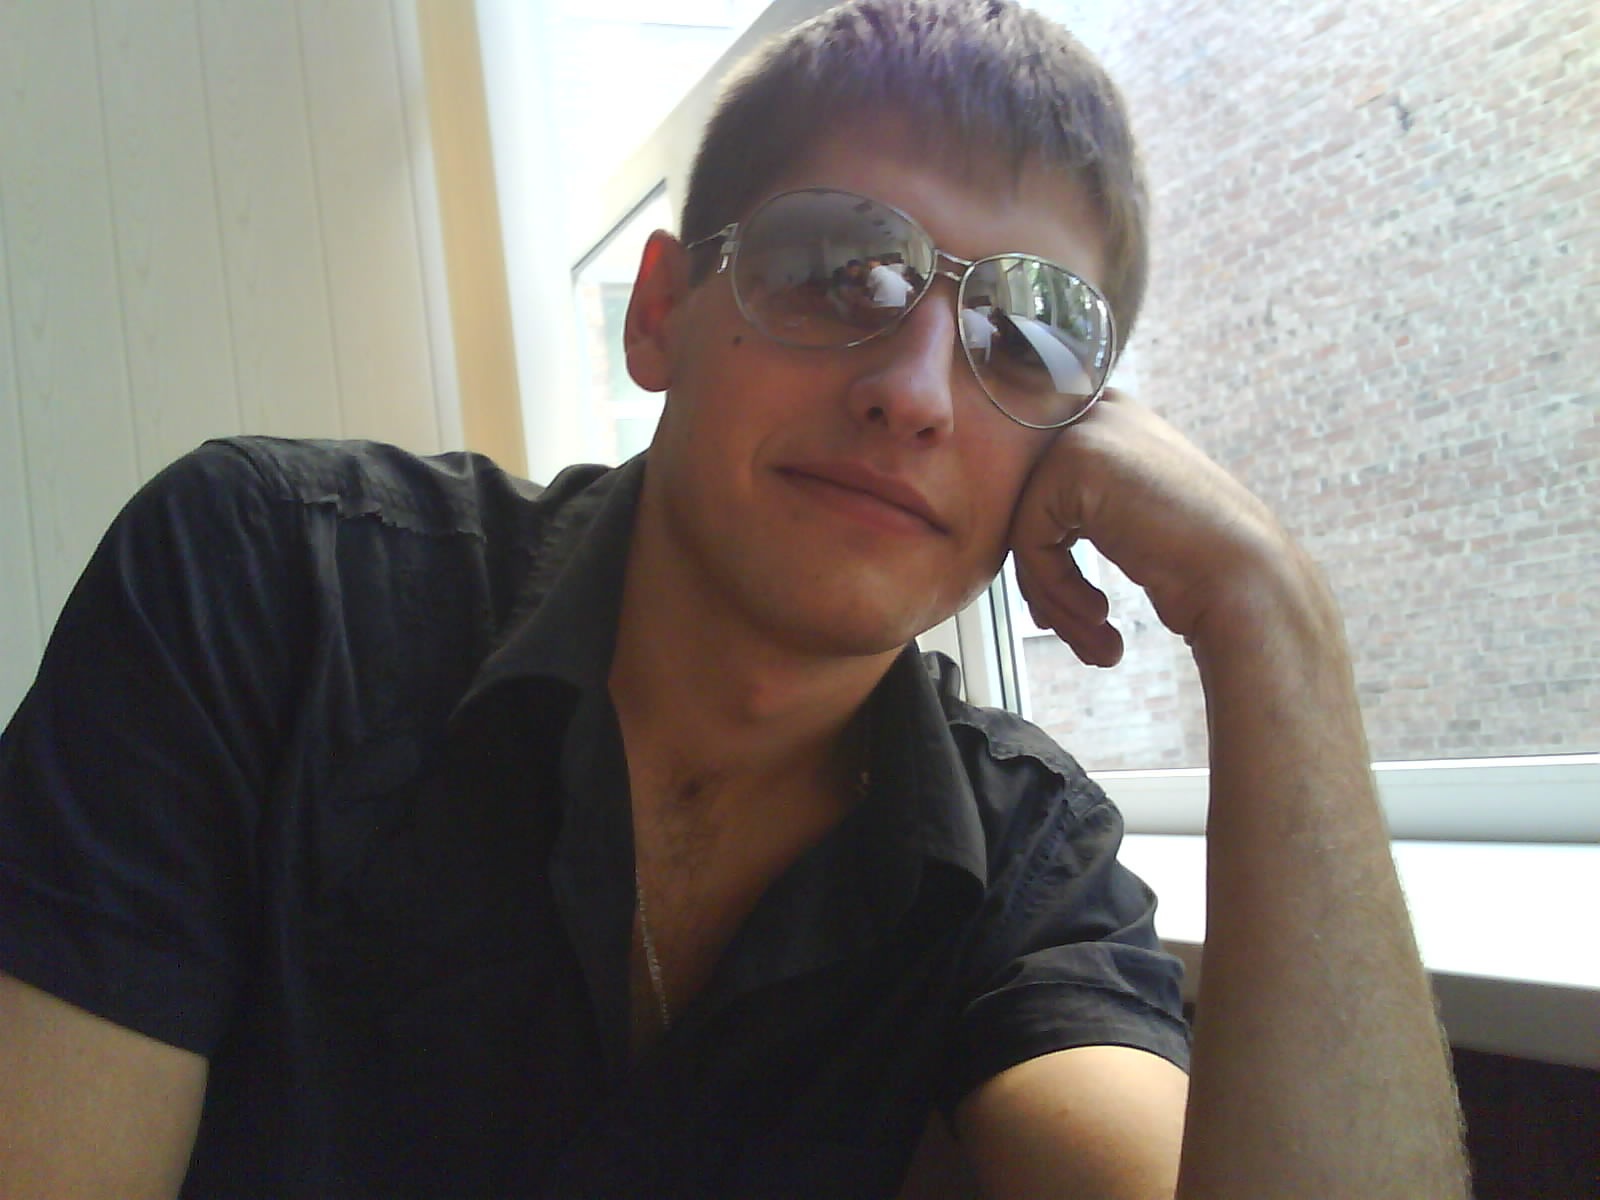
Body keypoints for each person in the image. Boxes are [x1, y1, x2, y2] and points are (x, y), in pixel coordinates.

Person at [0, 0, 1469, 1196]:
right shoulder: (263, 583)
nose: (914, 393)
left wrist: (1269, 612)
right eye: (839, 268)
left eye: (1025, 339)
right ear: (660, 314)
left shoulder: (1026, 863)